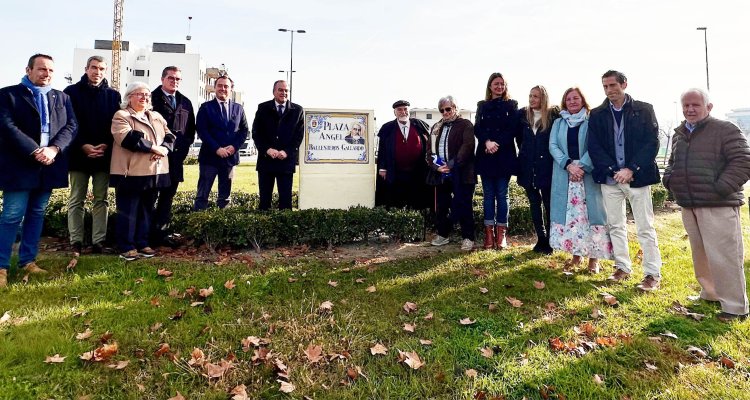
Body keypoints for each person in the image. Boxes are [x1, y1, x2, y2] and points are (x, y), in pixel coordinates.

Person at [663, 88, 750, 322]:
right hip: (689, 204)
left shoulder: (725, 129)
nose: (690, 109)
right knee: (700, 252)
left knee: (725, 255)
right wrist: (670, 180)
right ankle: (710, 293)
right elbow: (672, 162)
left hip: (718, 204)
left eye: (696, 105)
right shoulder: (680, 133)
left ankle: (735, 307)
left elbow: (743, 162)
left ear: (708, 107)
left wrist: (720, 188)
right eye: (686, 105)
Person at [0, 54, 77, 287]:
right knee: (12, 215)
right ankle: (2, 267)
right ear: (29, 70)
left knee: (36, 214)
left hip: (49, 165)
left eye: (51, 70)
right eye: (42, 69)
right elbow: (6, 126)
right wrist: (35, 150)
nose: (47, 74)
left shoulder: (62, 98)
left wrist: (54, 149)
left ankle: (28, 262)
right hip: (20, 164)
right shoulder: (8, 94)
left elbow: (71, 126)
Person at [588, 70, 663, 291]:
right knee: (615, 225)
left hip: (637, 178)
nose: (609, 90)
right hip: (610, 179)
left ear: (624, 84)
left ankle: (652, 274)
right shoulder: (597, 114)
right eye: (605, 86)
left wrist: (631, 168)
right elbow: (594, 147)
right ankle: (622, 267)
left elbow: (652, 142)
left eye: (613, 85)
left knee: (645, 226)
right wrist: (613, 170)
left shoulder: (644, 109)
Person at [549, 88, 613, 272]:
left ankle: (594, 259)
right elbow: (553, 146)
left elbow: (596, 145)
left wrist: (582, 166)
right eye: (568, 99)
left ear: (583, 100)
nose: (572, 101)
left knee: (591, 216)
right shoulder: (558, 123)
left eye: (576, 98)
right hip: (566, 174)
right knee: (572, 217)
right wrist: (568, 165)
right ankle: (576, 255)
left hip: (587, 174)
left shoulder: (591, 120)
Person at [110, 82, 174, 261]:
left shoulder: (155, 116)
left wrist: (165, 149)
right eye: (139, 94)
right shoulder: (121, 115)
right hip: (130, 173)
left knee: (147, 209)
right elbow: (128, 138)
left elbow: (170, 136)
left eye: (147, 94)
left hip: (154, 172)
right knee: (128, 211)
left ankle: (142, 242)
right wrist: (154, 148)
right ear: (129, 96)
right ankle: (126, 246)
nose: (144, 97)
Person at [63, 56, 121, 254]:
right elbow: (67, 123)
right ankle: (76, 241)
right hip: (79, 155)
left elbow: (115, 124)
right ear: (86, 69)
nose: (98, 72)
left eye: (102, 69)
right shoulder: (71, 92)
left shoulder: (113, 95)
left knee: (101, 199)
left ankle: (99, 241)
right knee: (76, 199)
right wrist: (82, 145)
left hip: (103, 156)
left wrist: (105, 144)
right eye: (94, 68)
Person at [474, 73, 521, 250]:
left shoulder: (512, 105)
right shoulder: (482, 105)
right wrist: (487, 142)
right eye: (496, 84)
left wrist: (497, 143)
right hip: (486, 155)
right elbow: (478, 127)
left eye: (502, 84)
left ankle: (501, 235)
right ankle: (488, 234)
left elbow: (512, 129)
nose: (499, 87)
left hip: (504, 155)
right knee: (488, 195)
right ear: (490, 86)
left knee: (502, 194)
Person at [150, 66, 196, 246]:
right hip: (155, 158)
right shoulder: (151, 98)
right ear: (162, 79)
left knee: (167, 199)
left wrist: (182, 150)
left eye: (177, 79)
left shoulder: (186, 102)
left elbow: (190, 131)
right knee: (150, 198)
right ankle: (147, 234)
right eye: (171, 78)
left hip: (176, 159)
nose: (174, 81)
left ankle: (162, 234)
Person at [427, 96, 476, 251]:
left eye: (448, 109)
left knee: (463, 204)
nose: (445, 112)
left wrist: (451, 165)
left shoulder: (465, 124)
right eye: (442, 110)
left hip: (462, 173)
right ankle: (443, 235)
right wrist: (437, 167)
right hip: (442, 174)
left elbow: (467, 146)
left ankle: (468, 237)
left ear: (455, 108)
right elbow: (429, 151)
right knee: (442, 206)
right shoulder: (436, 127)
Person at [194, 75, 248, 210]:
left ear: (231, 89)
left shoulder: (238, 108)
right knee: (202, 195)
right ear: (214, 87)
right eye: (220, 86)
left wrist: (234, 147)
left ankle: (222, 226)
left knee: (225, 197)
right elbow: (202, 130)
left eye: (226, 86)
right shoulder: (205, 107)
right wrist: (217, 148)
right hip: (210, 158)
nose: (222, 89)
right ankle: (198, 223)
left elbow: (244, 130)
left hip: (230, 158)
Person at [517, 85, 559, 254]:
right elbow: (520, 140)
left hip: (546, 168)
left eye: (536, 96)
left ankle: (550, 240)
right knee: (534, 204)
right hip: (527, 167)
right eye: (530, 95)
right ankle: (540, 238)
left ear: (543, 98)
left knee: (549, 205)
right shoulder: (522, 116)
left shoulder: (553, 116)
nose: (532, 99)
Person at [251, 80, 304, 210]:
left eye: (286, 90)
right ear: (274, 92)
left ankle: (285, 229)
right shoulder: (263, 108)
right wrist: (267, 150)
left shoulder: (297, 110)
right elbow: (256, 133)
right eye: (280, 90)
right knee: (264, 202)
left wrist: (286, 152)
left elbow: (298, 137)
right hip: (266, 161)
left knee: (286, 203)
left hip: (285, 162)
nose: (283, 93)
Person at [376, 100, 430, 210]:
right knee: (396, 200)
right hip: (396, 170)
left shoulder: (419, 125)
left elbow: (429, 145)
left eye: (405, 109)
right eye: (399, 110)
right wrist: (382, 167)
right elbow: (382, 149)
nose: (403, 112)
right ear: (394, 112)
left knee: (417, 199)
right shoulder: (387, 128)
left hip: (417, 170)